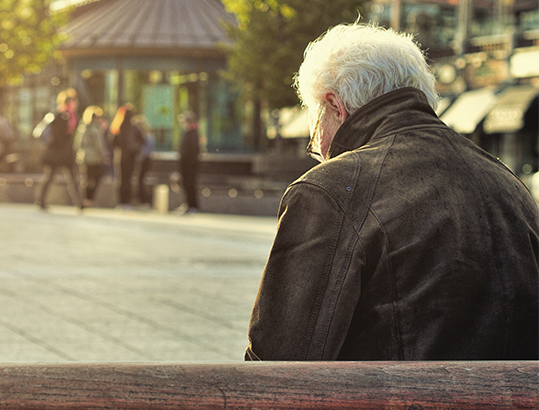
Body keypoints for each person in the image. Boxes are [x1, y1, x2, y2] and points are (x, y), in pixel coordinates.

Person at [245, 23, 538, 361]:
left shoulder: (329, 190)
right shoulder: (507, 183)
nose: (320, 150)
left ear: (335, 106)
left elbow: (278, 362)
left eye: (315, 134)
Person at [34, 88, 83, 211]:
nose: (75, 104)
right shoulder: (61, 116)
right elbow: (57, 135)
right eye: (73, 101)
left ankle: (79, 203)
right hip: (57, 153)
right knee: (51, 177)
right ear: (68, 103)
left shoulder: (72, 117)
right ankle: (40, 201)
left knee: (73, 178)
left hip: (65, 153)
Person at [110, 104, 145, 209]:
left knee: (122, 179)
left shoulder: (117, 126)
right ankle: (126, 202)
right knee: (128, 179)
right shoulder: (133, 127)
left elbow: (111, 142)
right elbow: (143, 140)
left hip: (121, 156)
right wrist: (135, 148)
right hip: (130, 156)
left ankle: (122, 201)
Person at [74, 105, 108, 206]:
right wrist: (105, 154)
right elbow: (99, 144)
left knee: (87, 178)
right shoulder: (94, 129)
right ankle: (89, 199)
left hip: (84, 157)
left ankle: (85, 199)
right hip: (95, 157)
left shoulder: (82, 128)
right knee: (95, 178)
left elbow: (77, 144)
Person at [178, 111, 200, 214]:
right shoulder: (188, 134)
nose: (183, 125)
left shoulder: (193, 134)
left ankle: (192, 205)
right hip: (186, 164)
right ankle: (189, 204)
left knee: (189, 184)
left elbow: (192, 151)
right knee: (186, 184)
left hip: (190, 165)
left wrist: (187, 162)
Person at [133, 115, 154, 207]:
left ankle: (143, 200)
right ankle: (140, 200)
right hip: (144, 159)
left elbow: (146, 150)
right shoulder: (146, 136)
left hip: (144, 160)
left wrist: (138, 158)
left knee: (141, 180)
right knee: (140, 180)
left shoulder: (146, 137)